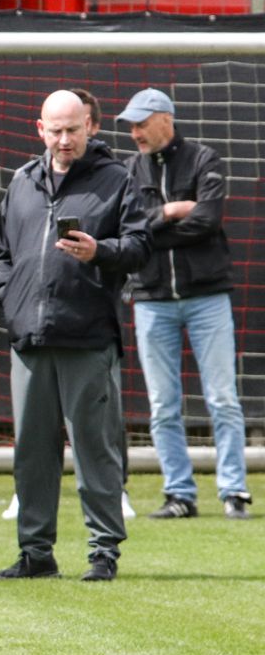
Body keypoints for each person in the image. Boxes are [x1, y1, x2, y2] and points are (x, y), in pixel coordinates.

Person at [0, 90, 150, 583]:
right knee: (31, 452)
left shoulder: (118, 180)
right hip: (30, 339)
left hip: (87, 336)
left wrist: (98, 250)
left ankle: (104, 551)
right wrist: (6, 294)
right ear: (39, 128)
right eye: (55, 130)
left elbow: (140, 246)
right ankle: (36, 553)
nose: (63, 139)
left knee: (94, 448)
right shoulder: (21, 182)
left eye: (72, 129)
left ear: (90, 128)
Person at [118, 87, 250, 521]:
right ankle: (180, 494)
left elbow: (208, 220)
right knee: (162, 404)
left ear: (165, 120)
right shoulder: (127, 169)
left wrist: (154, 229)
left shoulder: (203, 158)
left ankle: (234, 491)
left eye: (140, 123)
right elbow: (131, 229)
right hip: (152, 299)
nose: (134, 131)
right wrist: (173, 211)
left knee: (223, 398)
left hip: (207, 296)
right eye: (131, 124)